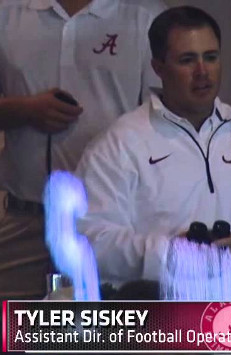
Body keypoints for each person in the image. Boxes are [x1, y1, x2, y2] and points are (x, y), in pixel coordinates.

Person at [76, 5, 231, 296]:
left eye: (211, 57)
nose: (202, 72)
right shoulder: (118, 144)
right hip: (161, 323)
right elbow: (87, 239)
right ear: (158, 67)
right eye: (187, 60)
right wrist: (167, 254)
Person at [0, 0, 166, 299]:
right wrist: (22, 110)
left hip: (109, 231)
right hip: (24, 220)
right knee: (14, 335)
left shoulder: (145, 17)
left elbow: (166, 121)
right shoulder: (8, 12)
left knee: (101, 339)